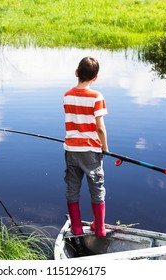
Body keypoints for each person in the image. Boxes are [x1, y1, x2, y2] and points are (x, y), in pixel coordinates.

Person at [63, 56, 108, 237]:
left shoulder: (67, 95)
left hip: (71, 150)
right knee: (96, 187)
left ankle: (76, 227)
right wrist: (105, 148)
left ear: (76, 73)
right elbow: (100, 128)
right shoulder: (97, 97)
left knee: (72, 188)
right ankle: (100, 228)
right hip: (91, 151)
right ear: (95, 77)